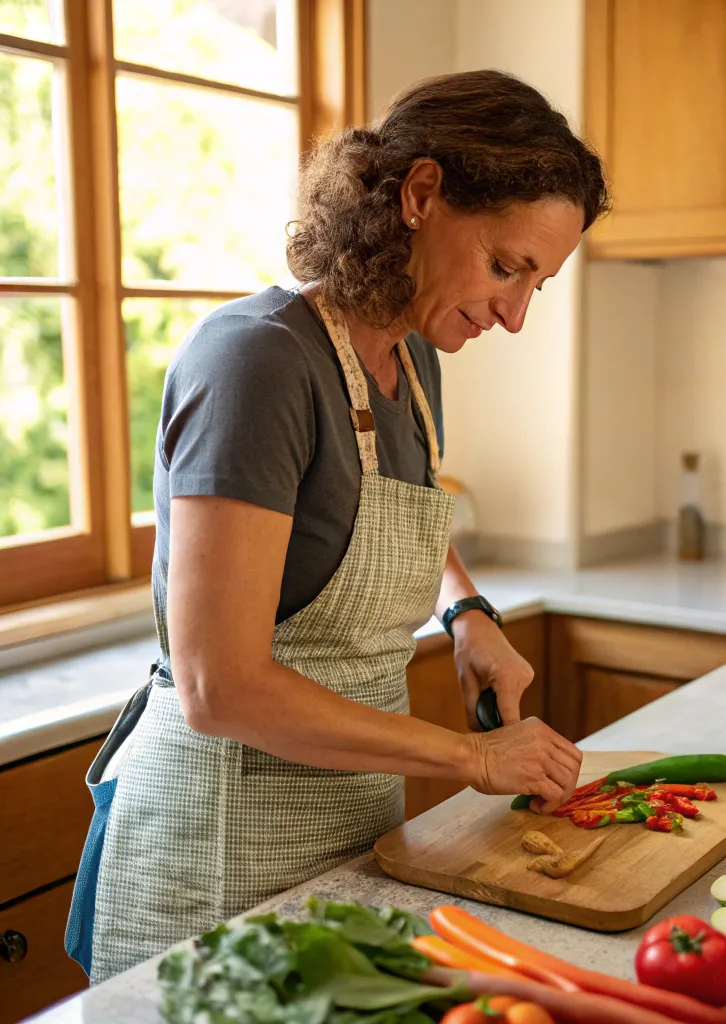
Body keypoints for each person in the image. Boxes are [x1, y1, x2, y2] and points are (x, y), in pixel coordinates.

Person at [65, 69, 610, 983]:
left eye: (537, 285)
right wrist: (472, 756)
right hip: (217, 848)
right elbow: (219, 686)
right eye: (507, 266)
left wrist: (468, 615)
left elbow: (385, 515)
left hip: (344, 822)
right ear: (421, 194)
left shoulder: (412, 357)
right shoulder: (258, 362)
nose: (514, 315)